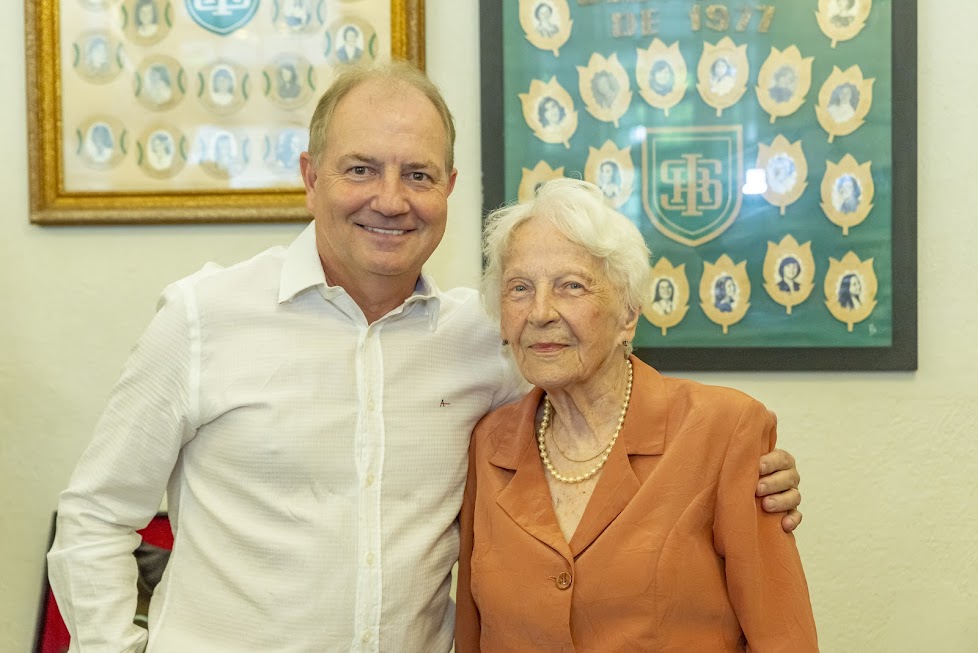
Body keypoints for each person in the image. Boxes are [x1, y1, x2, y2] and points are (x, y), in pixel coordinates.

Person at [47, 62, 803, 652]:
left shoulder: (487, 337)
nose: (390, 199)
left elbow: (603, 415)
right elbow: (94, 519)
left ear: (448, 187)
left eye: (417, 174)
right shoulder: (202, 318)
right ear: (310, 177)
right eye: (360, 168)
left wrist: (745, 471)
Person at [456, 179, 817, 651]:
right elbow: (473, 634)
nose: (540, 312)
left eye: (571, 286)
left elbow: (782, 636)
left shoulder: (724, 430)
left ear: (628, 314)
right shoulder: (489, 444)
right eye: (519, 288)